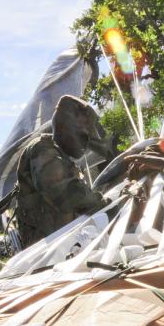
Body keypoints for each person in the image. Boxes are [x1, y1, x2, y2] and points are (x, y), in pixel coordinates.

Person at [14, 95, 105, 248]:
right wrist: (108, 204)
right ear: (64, 128)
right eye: (83, 136)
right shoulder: (43, 149)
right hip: (43, 251)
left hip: (61, 244)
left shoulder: (61, 156)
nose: (85, 143)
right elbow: (66, 195)